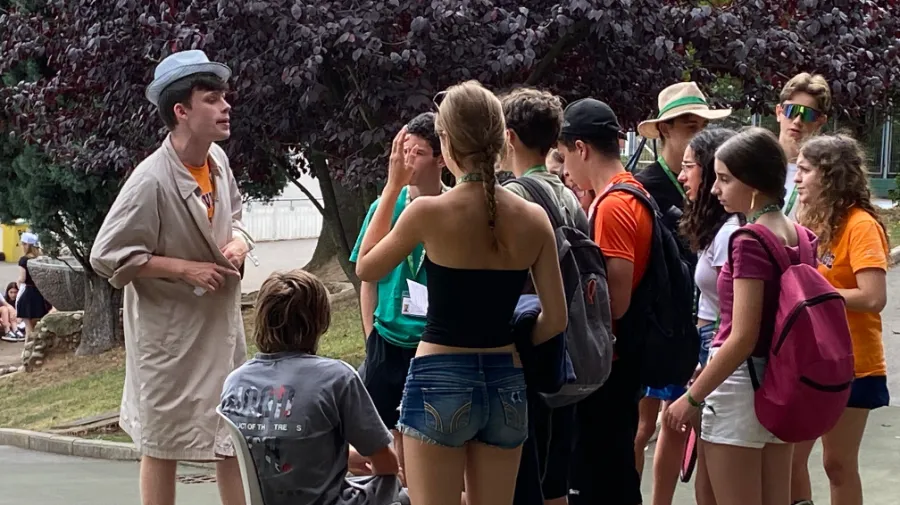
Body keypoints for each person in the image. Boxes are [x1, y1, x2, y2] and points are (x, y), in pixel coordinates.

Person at [354, 80, 567, 505]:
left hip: (439, 374)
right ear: (499, 139)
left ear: (447, 143)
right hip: (506, 378)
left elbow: (366, 266)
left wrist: (392, 187)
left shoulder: (429, 212)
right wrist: (517, 341)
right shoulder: (533, 217)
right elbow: (556, 318)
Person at [90, 50, 252, 505]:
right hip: (168, 336)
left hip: (220, 327)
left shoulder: (218, 161)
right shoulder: (150, 181)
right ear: (181, 111)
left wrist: (240, 242)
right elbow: (105, 254)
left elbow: (237, 217)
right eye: (212, 99)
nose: (226, 107)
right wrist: (183, 269)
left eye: (224, 97)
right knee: (161, 443)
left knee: (229, 435)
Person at [664, 127, 813, 505]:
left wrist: (692, 398)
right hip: (782, 383)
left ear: (754, 182)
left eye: (725, 179)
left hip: (737, 388)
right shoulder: (800, 235)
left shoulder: (747, 240)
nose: (715, 189)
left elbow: (743, 335)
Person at [221, 269, 408, 505]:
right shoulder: (336, 377)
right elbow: (386, 464)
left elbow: (270, 445)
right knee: (407, 491)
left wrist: (347, 458)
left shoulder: (235, 381)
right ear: (321, 321)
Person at [633, 83, 731, 486]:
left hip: (705, 324)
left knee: (689, 427)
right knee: (643, 427)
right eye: (690, 125)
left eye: (704, 124)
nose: (698, 132)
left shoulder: (721, 186)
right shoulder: (644, 185)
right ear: (665, 130)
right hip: (661, 323)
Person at [557, 98, 651, 505]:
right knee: (613, 472)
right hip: (621, 361)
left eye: (564, 156)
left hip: (608, 367)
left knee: (602, 476)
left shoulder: (613, 205)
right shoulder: (632, 191)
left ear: (581, 148)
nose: (563, 170)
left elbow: (616, 302)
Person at [790, 135, 890, 505]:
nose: (796, 178)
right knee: (790, 459)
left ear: (829, 176)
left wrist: (812, 297)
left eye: (804, 170)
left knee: (838, 464)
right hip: (810, 361)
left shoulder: (861, 225)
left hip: (854, 365)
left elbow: (873, 297)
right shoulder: (810, 219)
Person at [349, 111, 445, 481]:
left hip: (431, 342)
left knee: (424, 440)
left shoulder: (450, 207)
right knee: (382, 443)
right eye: (403, 152)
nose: (407, 162)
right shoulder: (384, 208)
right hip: (387, 340)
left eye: (417, 153)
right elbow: (367, 277)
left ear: (441, 157)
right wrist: (371, 335)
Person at [499, 86, 583, 505]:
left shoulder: (515, 196)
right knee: (555, 483)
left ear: (509, 137)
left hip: (529, 347)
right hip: (567, 350)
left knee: (525, 478)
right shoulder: (569, 194)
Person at [675, 128, 741, 505]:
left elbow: (739, 323)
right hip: (709, 349)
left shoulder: (732, 234)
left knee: (720, 476)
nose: (683, 176)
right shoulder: (720, 230)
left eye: (689, 167)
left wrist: (700, 383)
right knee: (707, 475)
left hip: (719, 353)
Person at [776, 73, 831, 220]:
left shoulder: (826, 176)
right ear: (779, 112)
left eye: (807, 114)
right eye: (791, 110)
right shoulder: (754, 163)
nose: (797, 120)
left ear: (820, 121)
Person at [15, 233, 49, 345]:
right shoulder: (41, 259)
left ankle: (27, 351)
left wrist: (18, 281)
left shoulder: (24, 260)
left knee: (28, 327)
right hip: (40, 293)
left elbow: (23, 278)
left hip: (28, 293)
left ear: (26, 245)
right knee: (39, 324)